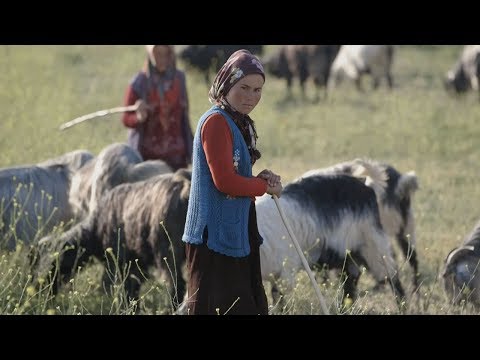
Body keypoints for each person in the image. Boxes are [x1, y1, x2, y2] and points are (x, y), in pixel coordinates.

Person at [182, 49, 283, 315]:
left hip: (234, 228)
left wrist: (258, 179)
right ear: (227, 84)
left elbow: (234, 173)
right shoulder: (216, 122)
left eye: (258, 90)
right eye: (244, 87)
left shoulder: (237, 122)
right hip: (211, 235)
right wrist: (264, 187)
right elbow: (224, 182)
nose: (251, 97)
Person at [121, 45, 193, 171]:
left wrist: (191, 150)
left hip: (177, 159)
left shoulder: (179, 79)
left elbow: (184, 117)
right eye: (158, 54)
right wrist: (138, 117)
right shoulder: (139, 82)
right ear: (150, 54)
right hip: (147, 161)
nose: (162, 59)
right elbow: (126, 119)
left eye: (166, 54)